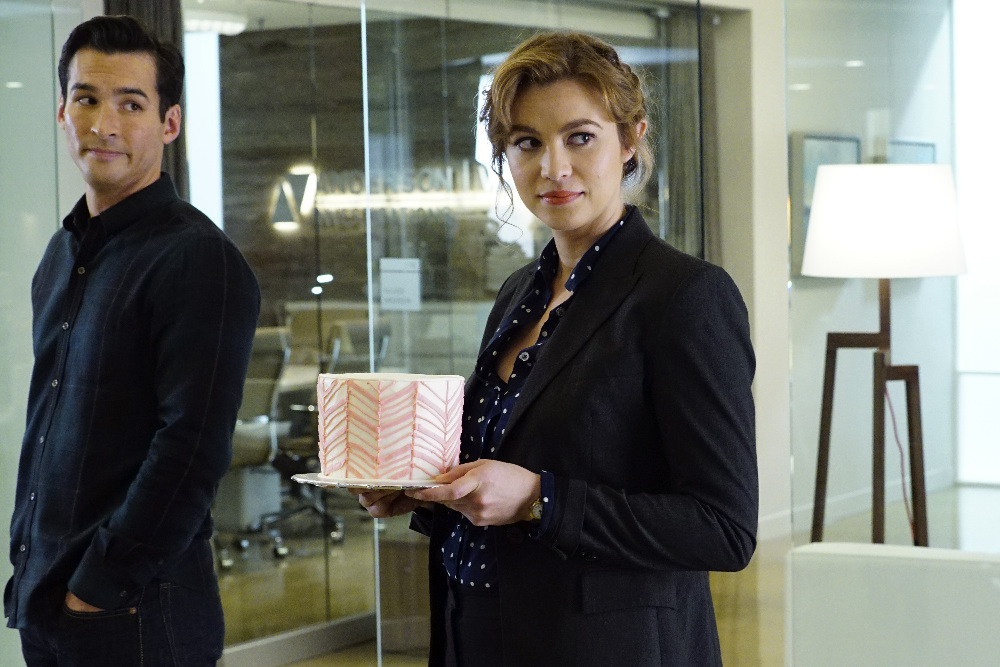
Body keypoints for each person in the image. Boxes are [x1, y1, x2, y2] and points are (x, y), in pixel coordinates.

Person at [357, 31, 757, 667]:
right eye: (526, 143)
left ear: (630, 140)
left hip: (602, 646)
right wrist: (425, 488)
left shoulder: (684, 295)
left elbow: (723, 529)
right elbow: (505, 458)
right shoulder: (520, 291)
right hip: (473, 625)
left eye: (580, 137)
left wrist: (538, 499)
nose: (554, 168)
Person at [4, 15, 261, 666]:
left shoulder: (198, 258)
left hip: (136, 611)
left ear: (169, 123)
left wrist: (99, 586)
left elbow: (192, 449)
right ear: (62, 112)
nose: (104, 124)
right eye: (86, 99)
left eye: (131, 104)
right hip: (48, 600)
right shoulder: (62, 255)